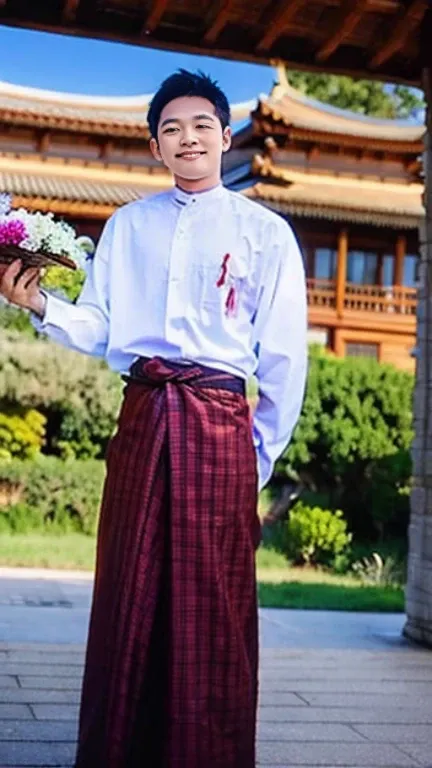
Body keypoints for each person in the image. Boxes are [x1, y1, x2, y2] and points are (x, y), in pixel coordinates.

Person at [0, 69, 307, 768]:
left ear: (226, 137)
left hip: (222, 428)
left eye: (202, 125)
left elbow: (285, 361)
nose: (188, 137)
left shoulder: (265, 233)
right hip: (144, 414)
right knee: (128, 586)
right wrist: (39, 304)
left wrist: (253, 460)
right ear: (155, 146)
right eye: (171, 128)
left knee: (215, 605)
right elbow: (104, 328)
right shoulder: (127, 225)